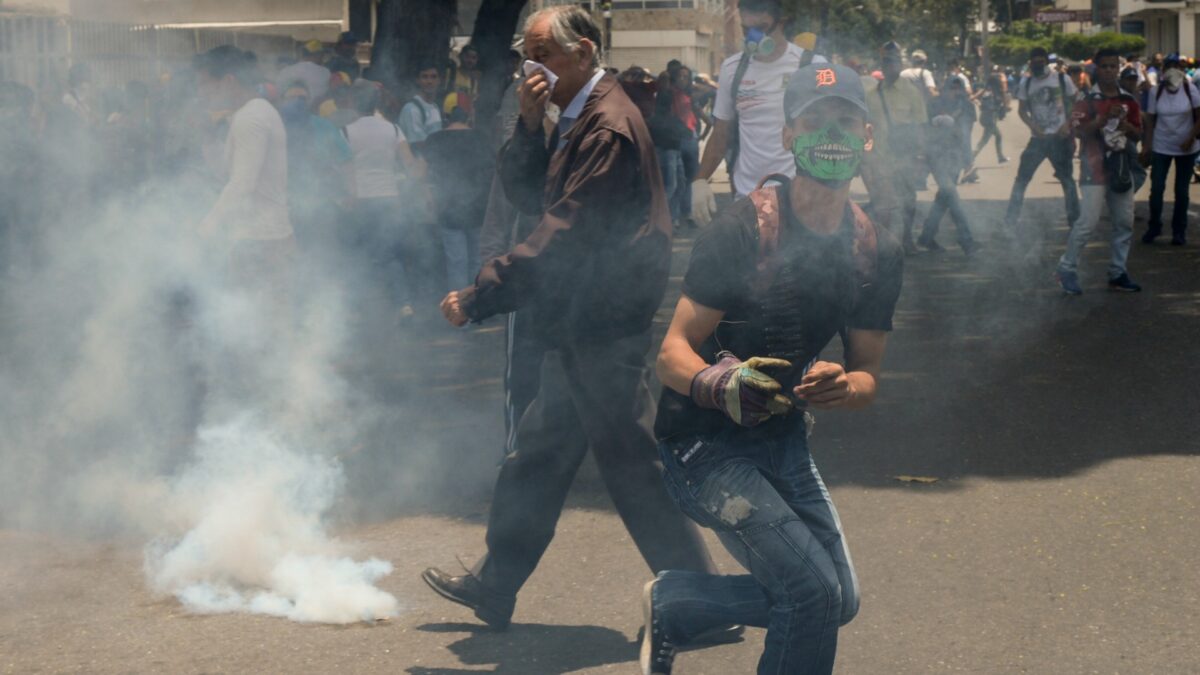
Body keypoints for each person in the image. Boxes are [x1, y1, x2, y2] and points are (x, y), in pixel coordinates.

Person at [423, 5, 722, 634]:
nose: (530, 70)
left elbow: (561, 234)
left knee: (631, 467)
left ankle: (701, 603)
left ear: (583, 52)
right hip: (579, 318)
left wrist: (481, 294)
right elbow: (529, 195)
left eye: (543, 56)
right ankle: (496, 584)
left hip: (601, 320)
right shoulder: (577, 115)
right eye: (524, 57)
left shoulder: (607, 125)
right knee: (540, 453)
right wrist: (530, 127)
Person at [640, 62, 903, 675]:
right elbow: (672, 352)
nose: (831, 134)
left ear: (867, 136)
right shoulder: (741, 229)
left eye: (846, 120)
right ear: (789, 136)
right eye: (815, 120)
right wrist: (721, 382)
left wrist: (842, 384)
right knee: (811, 593)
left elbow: (868, 377)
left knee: (841, 599)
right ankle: (680, 604)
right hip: (703, 448)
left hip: (781, 442)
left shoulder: (875, 250)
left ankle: (677, 604)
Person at [194, 45, 296, 366]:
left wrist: (207, 225)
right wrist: (205, 136)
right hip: (262, 236)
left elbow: (243, 183)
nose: (201, 91)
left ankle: (269, 394)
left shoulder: (251, 117)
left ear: (227, 80)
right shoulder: (252, 114)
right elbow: (229, 174)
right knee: (266, 327)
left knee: (258, 329)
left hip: (260, 239)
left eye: (205, 82)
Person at [690, 0, 823, 223]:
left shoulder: (812, 66)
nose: (753, 37)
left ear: (781, 22)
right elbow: (721, 133)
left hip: (799, 200)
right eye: (745, 29)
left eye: (760, 29)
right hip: (747, 199)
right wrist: (700, 180)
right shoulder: (733, 69)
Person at [1057, 48, 1143, 295]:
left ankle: (1118, 272)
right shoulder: (1087, 100)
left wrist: (1125, 125)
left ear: (1118, 68)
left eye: (1112, 66)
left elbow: (1137, 134)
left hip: (1121, 169)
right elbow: (1078, 131)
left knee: (1124, 222)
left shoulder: (1128, 100)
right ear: (1096, 69)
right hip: (1093, 168)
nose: (1109, 71)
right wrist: (1103, 119)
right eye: (1104, 66)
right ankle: (1067, 268)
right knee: (1087, 223)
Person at [342, 80, 422, 320]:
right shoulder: (393, 130)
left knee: (361, 254)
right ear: (376, 102)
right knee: (389, 254)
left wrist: (349, 198)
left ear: (354, 102)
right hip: (390, 200)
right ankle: (403, 304)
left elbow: (346, 172)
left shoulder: (345, 132)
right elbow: (410, 165)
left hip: (362, 201)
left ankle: (360, 308)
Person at [1003, 47, 1080, 237]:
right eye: (1034, 62)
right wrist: (1033, 126)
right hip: (1038, 140)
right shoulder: (1027, 83)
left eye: (1041, 61)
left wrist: (1067, 124)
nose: (1038, 65)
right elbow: (1021, 110)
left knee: (1067, 182)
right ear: (1030, 63)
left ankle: (1075, 223)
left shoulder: (1062, 79)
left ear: (1047, 62)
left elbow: (1076, 102)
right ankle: (1010, 223)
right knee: (1021, 181)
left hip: (1059, 139)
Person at [863, 42, 927, 253]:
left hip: (905, 157)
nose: (889, 67)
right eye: (886, 63)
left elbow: (920, 126)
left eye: (893, 63)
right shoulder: (871, 95)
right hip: (879, 159)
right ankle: (884, 244)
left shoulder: (911, 92)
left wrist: (919, 156)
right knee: (882, 205)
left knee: (908, 200)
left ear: (900, 65)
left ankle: (907, 239)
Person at [422, 107, 494, 291]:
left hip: (448, 207)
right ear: (469, 117)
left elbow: (424, 173)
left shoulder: (434, 139)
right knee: (477, 260)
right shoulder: (481, 138)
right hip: (478, 207)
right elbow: (492, 172)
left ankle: (459, 310)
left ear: (446, 118)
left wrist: (429, 197)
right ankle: (476, 306)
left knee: (456, 261)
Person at [1139, 53, 1200, 245]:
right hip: (1161, 145)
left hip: (1186, 148)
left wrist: (1190, 138)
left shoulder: (1191, 90)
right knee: (1157, 188)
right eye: (1169, 67)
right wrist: (1147, 146)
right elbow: (1150, 120)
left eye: (1177, 67)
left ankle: (1178, 231)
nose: (1173, 70)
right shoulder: (1156, 92)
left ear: (1182, 71)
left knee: (1181, 191)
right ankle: (1154, 226)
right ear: (1163, 71)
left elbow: (1199, 117)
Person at [920, 78, 979, 255]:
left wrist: (968, 161)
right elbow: (923, 129)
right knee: (951, 196)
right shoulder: (933, 104)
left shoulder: (967, 106)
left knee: (944, 198)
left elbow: (967, 133)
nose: (955, 92)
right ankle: (966, 240)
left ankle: (926, 236)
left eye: (958, 89)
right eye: (951, 89)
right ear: (943, 90)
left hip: (955, 158)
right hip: (936, 155)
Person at [671, 65, 701, 229]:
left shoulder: (689, 95)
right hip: (678, 139)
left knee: (690, 178)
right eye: (680, 76)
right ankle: (675, 216)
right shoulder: (670, 94)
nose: (683, 79)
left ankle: (688, 212)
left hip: (691, 138)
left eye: (686, 76)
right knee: (677, 180)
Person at [398, 64, 444, 146]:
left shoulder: (435, 107)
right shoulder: (411, 109)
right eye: (424, 77)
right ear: (418, 80)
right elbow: (417, 145)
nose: (429, 81)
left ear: (439, 80)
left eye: (433, 77)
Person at [276, 40, 332, 108]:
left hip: (288, 112)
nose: (323, 58)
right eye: (322, 55)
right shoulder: (325, 72)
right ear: (317, 55)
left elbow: (278, 94)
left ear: (302, 55)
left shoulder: (285, 71)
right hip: (314, 113)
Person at [973, 70, 1010, 164]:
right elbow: (1006, 104)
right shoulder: (999, 92)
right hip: (991, 119)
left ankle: (1000, 156)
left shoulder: (985, 90)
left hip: (984, 117)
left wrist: (979, 104)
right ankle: (971, 157)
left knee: (997, 136)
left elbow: (973, 98)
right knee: (985, 140)